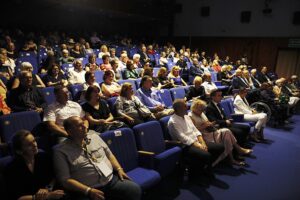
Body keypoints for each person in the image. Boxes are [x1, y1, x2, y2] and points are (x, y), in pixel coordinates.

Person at [53, 116, 141, 200]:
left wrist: (119, 169)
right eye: (79, 125)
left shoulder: (95, 137)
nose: (84, 126)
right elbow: (65, 180)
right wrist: (88, 190)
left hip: (110, 181)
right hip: (87, 189)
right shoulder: (61, 151)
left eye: (83, 123)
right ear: (70, 131)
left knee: (134, 190)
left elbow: (109, 155)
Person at [168, 99, 224, 184]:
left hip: (196, 141)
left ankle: (203, 168)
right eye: (185, 106)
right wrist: (198, 145)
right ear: (179, 109)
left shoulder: (186, 116)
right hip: (185, 145)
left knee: (220, 147)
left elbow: (195, 130)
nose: (187, 107)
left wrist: (202, 142)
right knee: (206, 155)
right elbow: (182, 138)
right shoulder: (173, 121)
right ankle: (195, 176)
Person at [4, 130, 65, 200]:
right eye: (29, 145)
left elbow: (53, 176)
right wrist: (46, 196)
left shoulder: (43, 156)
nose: (35, 145)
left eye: (34, 141)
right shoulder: (11, 169)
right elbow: (18, 197)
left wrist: (48, 188)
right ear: (19, 151)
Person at [189, 99, 252, 166]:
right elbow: (193, 131)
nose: (201, 111)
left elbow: (206, 122)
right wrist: (203, 127)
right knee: (226, 131)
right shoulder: (190, 116)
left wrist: (210, 124)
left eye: (202, 109)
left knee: (226, 134)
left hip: (209, 131)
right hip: (202, 136)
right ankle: (237, 151)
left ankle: (232, 158)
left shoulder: (201, 114)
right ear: (194, 108)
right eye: (200, 109)